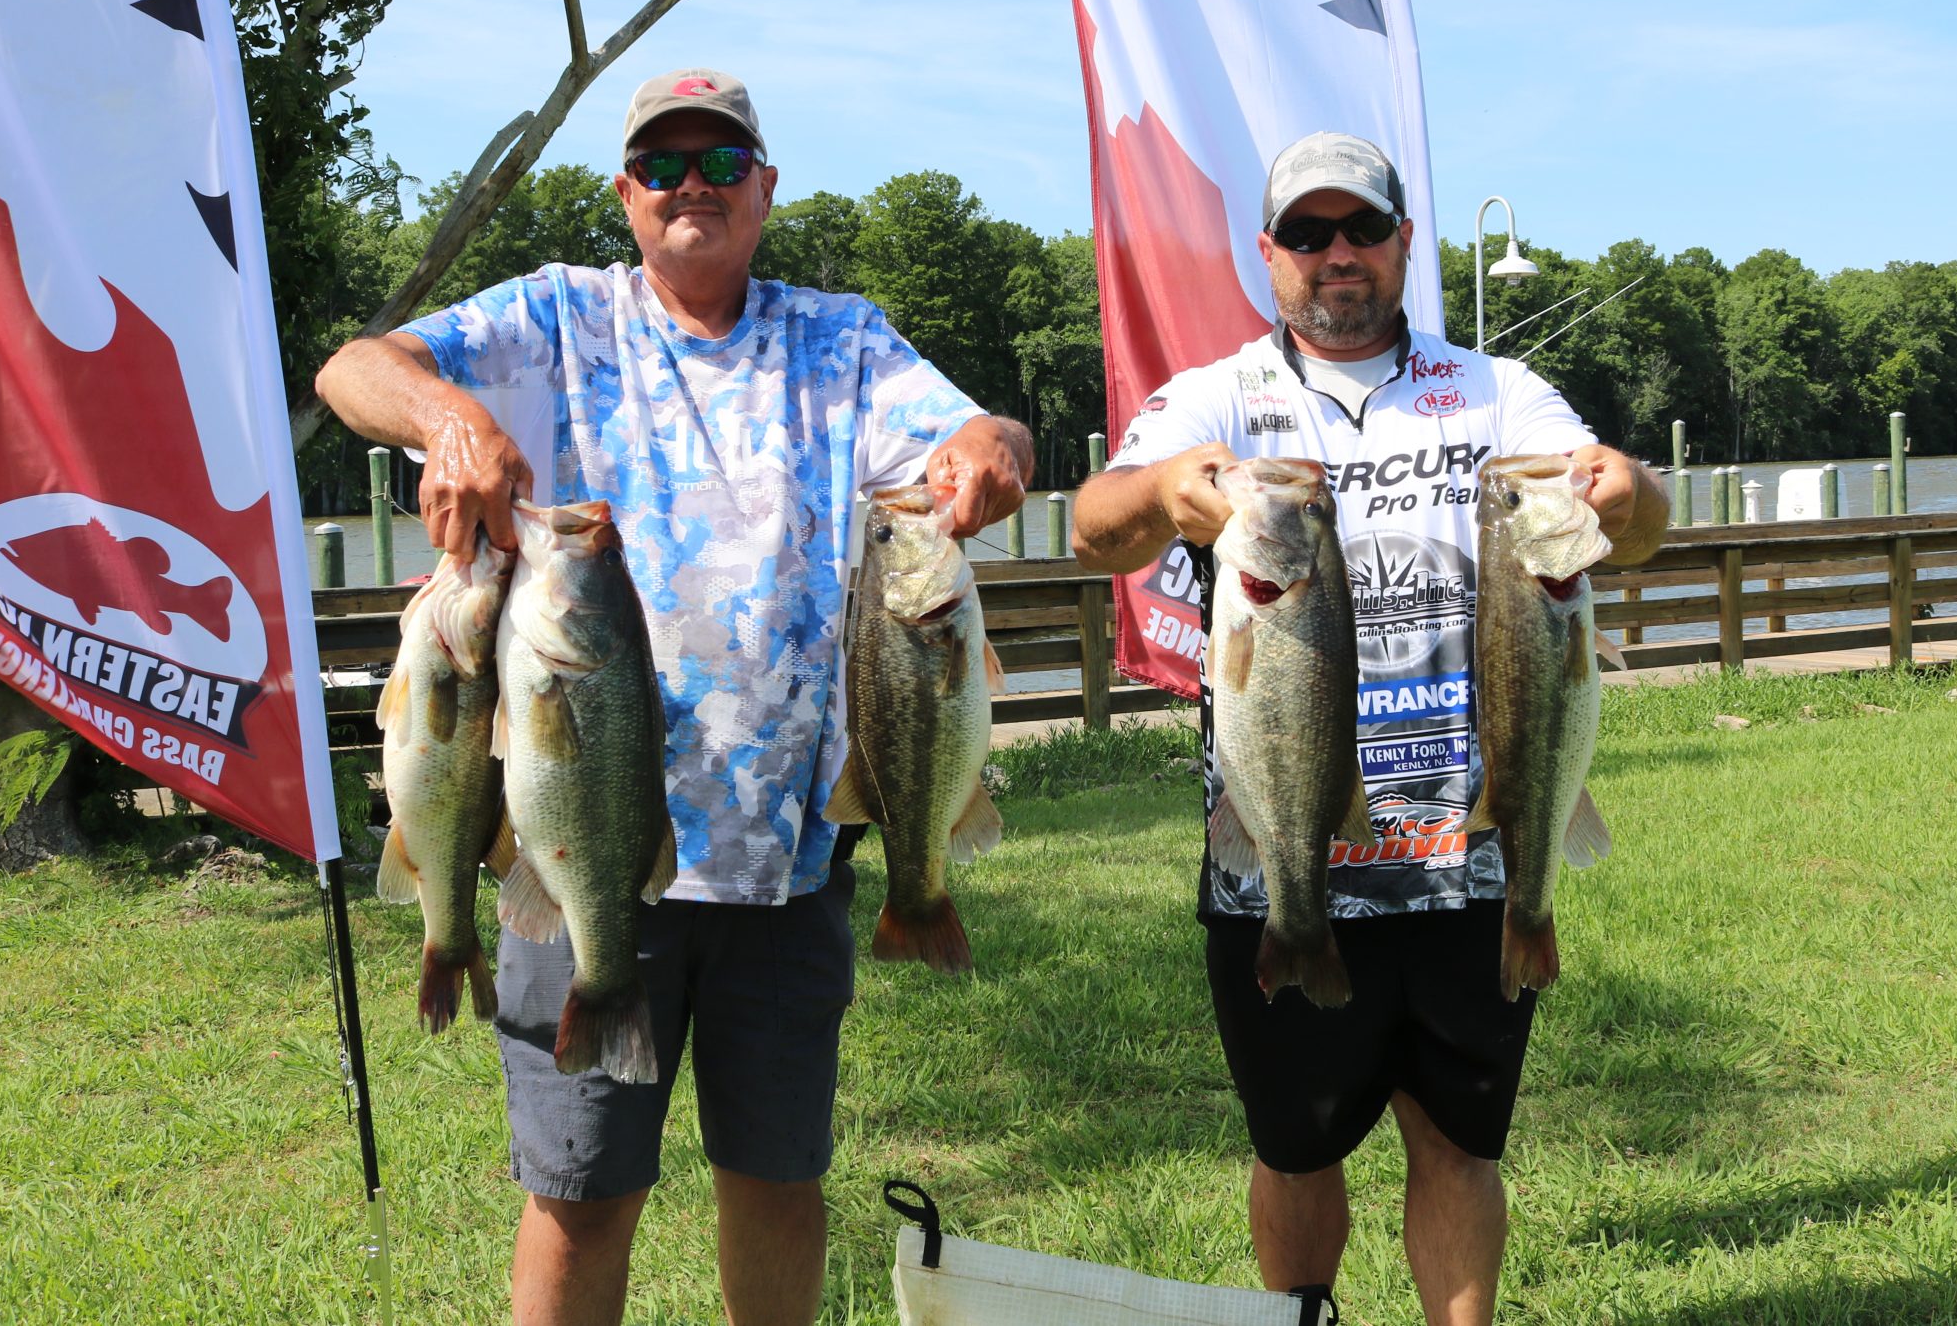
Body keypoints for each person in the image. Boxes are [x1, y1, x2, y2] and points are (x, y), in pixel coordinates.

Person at [315, 67, 1033, 1326]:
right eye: (661, 166)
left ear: (765, 187)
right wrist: (445, 419)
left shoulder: (843, 339)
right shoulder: (553, 318)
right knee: (580, 1196)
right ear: (624, 194)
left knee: (777, 1182)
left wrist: (997, 448)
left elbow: (975, 437)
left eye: (719, 163)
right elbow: (351, 369)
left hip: (786, 863)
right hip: (578, 843)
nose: (690, 187)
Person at [1068, 132, 1665, 1325]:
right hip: (1283, 853)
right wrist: (1161, 490)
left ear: (1403, 243)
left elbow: (1637, 523)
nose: (1335, 255)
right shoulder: (1217, 399)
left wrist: (1621, 487)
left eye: (1360, 230)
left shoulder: (1494, 393)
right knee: (1297, 1149)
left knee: (1459, 1143)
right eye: (1307, 234)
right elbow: (1097, 529)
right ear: (1269, 254)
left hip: (1466, 861)